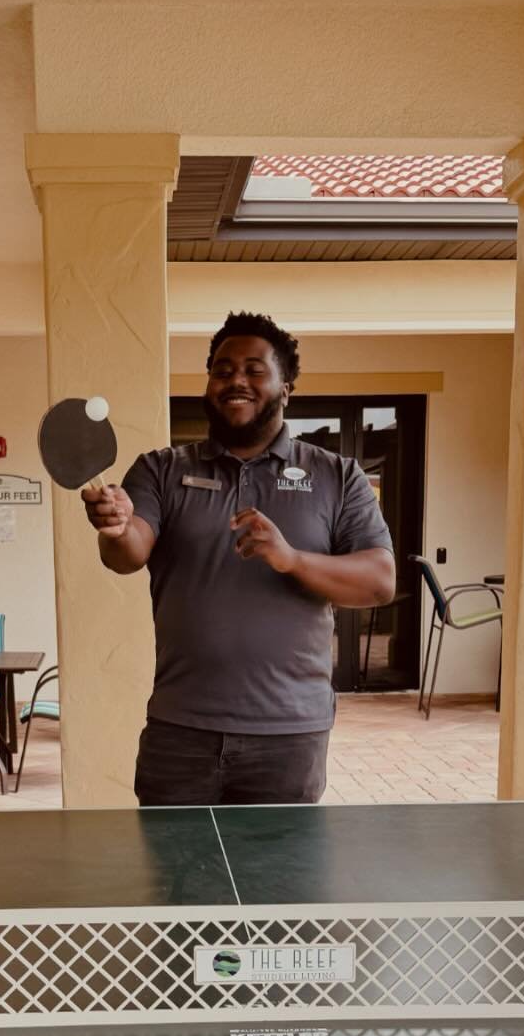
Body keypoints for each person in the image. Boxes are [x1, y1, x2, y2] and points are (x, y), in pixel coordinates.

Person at [83, 310, 395, 806]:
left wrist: (292, 559)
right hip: (180, 730)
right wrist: (116, 526)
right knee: (176, 883)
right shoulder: (160, 470)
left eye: (254, 369)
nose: (236, 381)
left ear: (285, 388)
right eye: (223, 370)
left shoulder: (338, 475)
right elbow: (127, 553)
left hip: (289, 736)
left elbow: (380, 581)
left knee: (276, 885)